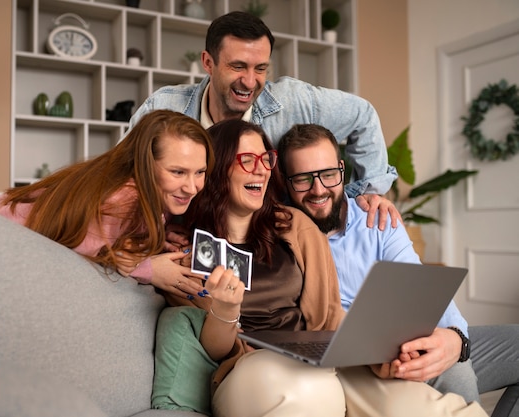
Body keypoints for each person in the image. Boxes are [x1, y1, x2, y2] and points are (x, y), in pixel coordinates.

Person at [157, 118, 486, 417]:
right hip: (252, 364)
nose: (260, 169)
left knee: (436, 410)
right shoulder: (186, 250)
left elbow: (330, 315)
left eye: (265, 159)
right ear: (216, 169)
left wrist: (376, 356)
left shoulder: (294, 225)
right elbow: (215, 350)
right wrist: (226, 310)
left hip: (323, 359)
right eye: (246, 160)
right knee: (312, 392)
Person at [277, 123, 519, 417]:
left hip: (420, 335)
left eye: (328, 175)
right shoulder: (280, 236)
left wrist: (456, 338)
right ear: (285, 180)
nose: (319, 190)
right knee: (454, 373)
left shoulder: (376, 218)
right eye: (303, 179)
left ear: (342, 169)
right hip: (371, 359)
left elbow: (418, 286)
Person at [126, 11, 400, 229]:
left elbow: (362, 115)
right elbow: (123, 179)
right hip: (188, 241)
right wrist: (156, 232)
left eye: (260, 69)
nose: (249, 81)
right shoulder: (163, 108)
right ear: (208, 63)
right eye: (237, 66)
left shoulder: (295, 101)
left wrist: (363, 194)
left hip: (268, 243)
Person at [0, 110, 212, 297]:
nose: (192, 186)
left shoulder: (137, 192)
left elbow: (111, 239)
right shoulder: (122, 196)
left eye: (200, 172)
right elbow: (89, 256)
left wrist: (157, 239)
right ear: (145, 165)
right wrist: (150, 269)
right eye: (178, 172)